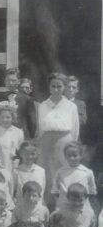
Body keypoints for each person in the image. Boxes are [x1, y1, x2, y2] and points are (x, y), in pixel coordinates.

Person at [37, 72, 79, 203]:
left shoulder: (71, 106)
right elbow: (40, 128)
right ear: (49, 87)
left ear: (64, 87)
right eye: (53, 86)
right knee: (47, 175)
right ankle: (47, 208)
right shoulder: (43, 105)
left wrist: (71, 148)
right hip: (47, 144)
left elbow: (75, 130)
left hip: (64, 144)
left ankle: (63, 206)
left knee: (64, 174)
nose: (56, 89)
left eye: (59, 86)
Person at [39, 183, 103, 227]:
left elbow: (91, 226)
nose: (77, 203)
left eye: (80, 200)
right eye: (73, 200)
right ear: (68, 198)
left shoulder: (89, 211)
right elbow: (54, 224)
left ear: (85, 199)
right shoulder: (62, 211)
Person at [0, 67, 37, 140]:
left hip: (20, 138)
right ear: (4, 81)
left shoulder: (27, 99)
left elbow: (32, 123)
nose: (10, 83)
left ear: (19, 81)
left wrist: (28, 139)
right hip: (1, 137)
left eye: (13, 80)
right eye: (8, 80)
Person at [52, 141, 96, 210]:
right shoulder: (60, 172)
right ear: (65, 156)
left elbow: (92, 190)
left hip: (81, 204)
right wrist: (58, 201)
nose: (71, 158)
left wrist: (86, 201)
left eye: (75, 155)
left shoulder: (87, 172)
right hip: (64, 204)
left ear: (81, 155)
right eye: (69, 156)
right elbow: (55, 189)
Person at [0, 102, 24, 172]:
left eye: (8, 117)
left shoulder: (18, 132)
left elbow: (20, 151)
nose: (4, 120)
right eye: (2, 117)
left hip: (12, 165)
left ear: (13, 118)